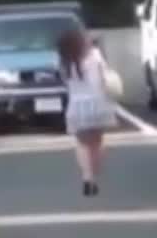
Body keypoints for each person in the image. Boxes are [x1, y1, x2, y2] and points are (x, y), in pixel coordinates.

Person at [56, 28, 118, 196]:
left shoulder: (64, 62)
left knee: (82, 143)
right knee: (97, 142)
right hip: (97, 103)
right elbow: (104, 76)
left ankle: (87, 176)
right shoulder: (94, 55)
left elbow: (66, 82)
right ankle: (94, 174)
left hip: (77, 105)